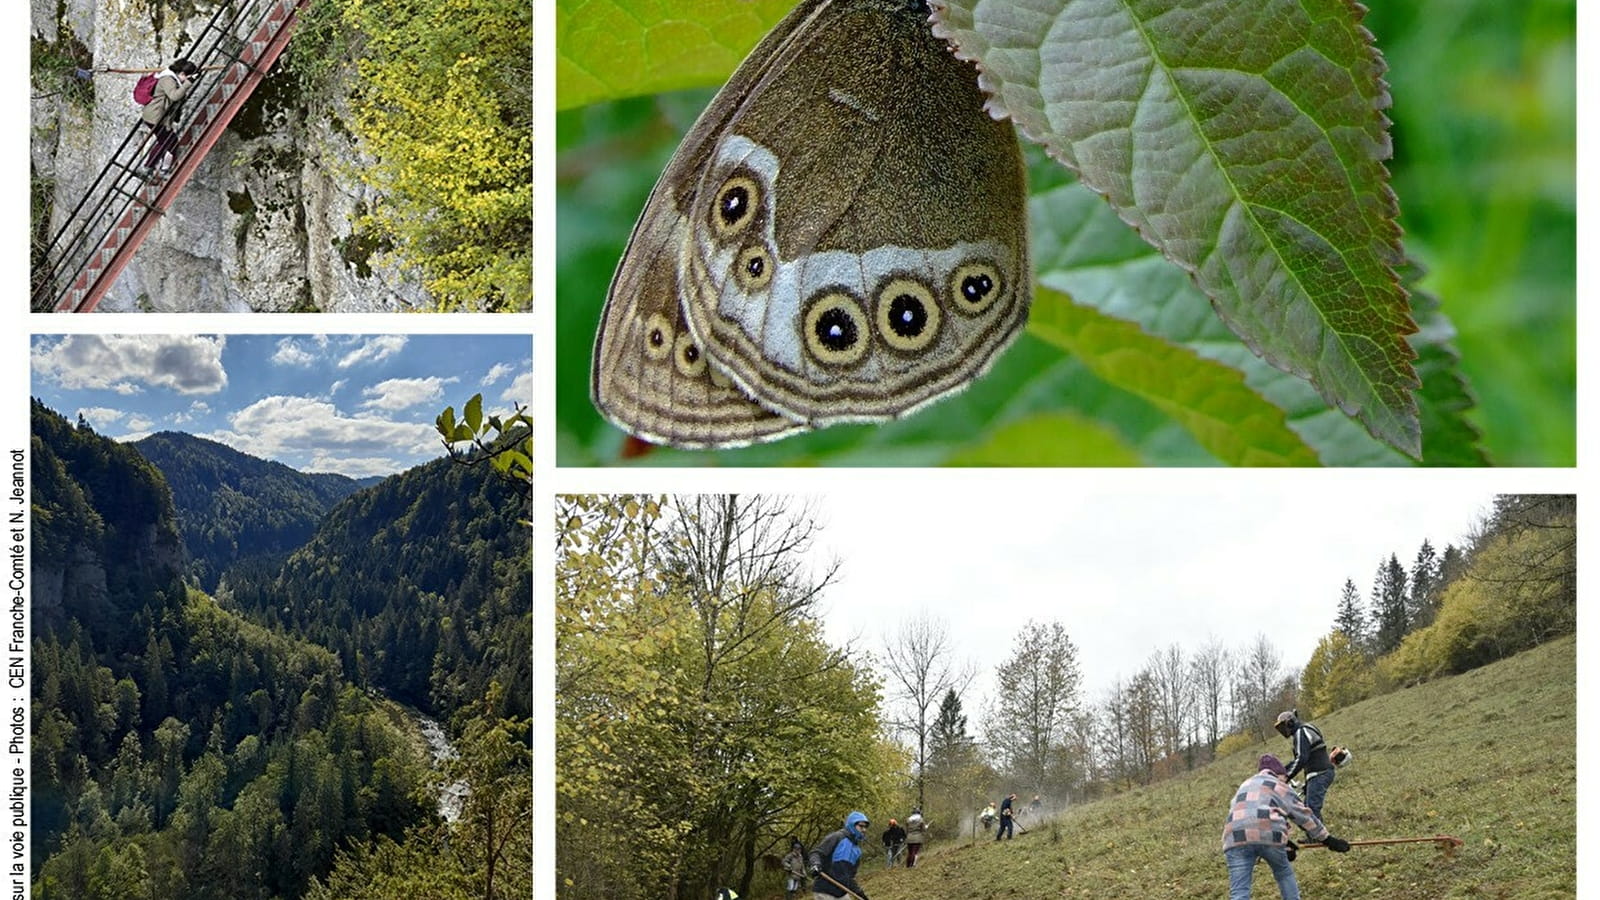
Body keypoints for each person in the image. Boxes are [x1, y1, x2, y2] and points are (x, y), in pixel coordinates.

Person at [1222, 754, 1351, 900]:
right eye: (1285, 777)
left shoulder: (1245, 785)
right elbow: (1303, 816)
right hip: (1268, 835)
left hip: (1234, 838)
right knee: (1283, 873)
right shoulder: (1278, 785)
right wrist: (1328, 839)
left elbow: (1252, 817)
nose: (1287, 780)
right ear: (1279, 774)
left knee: (1239, 892)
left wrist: (1285, 842)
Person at [139, 58, 199, 175]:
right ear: (182, 74)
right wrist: (188, 83)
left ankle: (157, 168)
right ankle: (155, 168)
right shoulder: (168, 79)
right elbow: (174, 96)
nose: (186, 80)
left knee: (168, 142)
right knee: (169, 142)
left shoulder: (172, 78)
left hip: (158, 117)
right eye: (187, 76)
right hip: (155, 117)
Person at [1275, 710, 1337, 820]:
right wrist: (1281, 771)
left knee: (1311, 809)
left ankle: (1318, 836)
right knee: (1307, 808)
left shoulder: (1300, 733)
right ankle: (1315, 836)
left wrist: (1286, 776)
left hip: (1320, 773)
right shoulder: (1308, 727)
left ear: (1290, 723)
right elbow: (1300, 759)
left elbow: (1301, 759)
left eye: (1283, 726)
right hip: (1320, 773)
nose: (1283, 731)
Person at [809, 811, 870, 900]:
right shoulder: (837, 837)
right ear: (852, 825)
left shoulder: (857, 851)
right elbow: (816, 853)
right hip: (825, 891)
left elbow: (849, 877)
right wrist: (815, 864)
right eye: (861, 826)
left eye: (865, 827)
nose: (864, 830)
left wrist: (860, 893)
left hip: (841, 892)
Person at [782, 836, 807, 900]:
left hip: (798, 875)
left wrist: (804, 873)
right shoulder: (790, 856)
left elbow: (802, 866)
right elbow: (784, 862)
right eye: (798, 850)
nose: (799, 851)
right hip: (791, 874)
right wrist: (789, 866)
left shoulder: (800, 857)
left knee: (795, 889)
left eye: (800, 850)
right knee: (790, 888)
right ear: (794, 849)